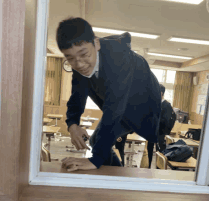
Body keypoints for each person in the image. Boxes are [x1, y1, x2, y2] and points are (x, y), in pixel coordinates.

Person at [57, 17, 161, 172]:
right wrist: (73, 124)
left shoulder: (119, 57)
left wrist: (96, 159)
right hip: (119, 103)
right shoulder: (79, 62)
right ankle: (116, 176)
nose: (79, 64)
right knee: (96, 141)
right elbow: (77, 95)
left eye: (84, 54)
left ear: (96, 44)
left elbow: (114, 108)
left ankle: (117, 179)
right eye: (70, 58)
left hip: (143, 106)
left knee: (99, 142)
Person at [140, 84, 176, 168]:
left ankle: (159, 170)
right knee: (149, 151)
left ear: (161, 93)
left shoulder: (166, 105)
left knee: (160, 152)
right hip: (151, 132)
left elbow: (165, 120)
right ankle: (147, 168)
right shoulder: (153, 103)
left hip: (161, 133)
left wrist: (154, 119)